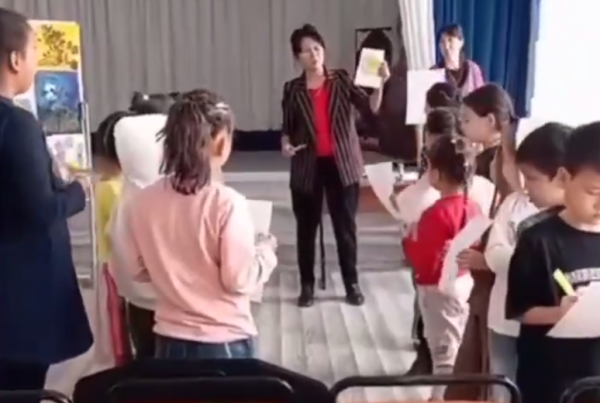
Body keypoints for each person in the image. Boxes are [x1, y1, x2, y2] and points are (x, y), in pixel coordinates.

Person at [123, 89, 277, 359]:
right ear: (220, 142)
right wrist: (266, 251)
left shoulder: (141, 201)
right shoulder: (227, 204)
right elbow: (239, 279)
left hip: (168, 341)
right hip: (225, 342)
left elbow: (137, 269)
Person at [0, 7, 92, 391]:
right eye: (35, 50)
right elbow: (41, 211)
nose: (36, 61)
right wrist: (77, 192)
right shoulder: (16, 125)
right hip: (19, 298)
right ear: (15, 59)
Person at [281, 24, 390, 307]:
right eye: (306, 51)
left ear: (324, 49)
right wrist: (285, 144)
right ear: (297, 57)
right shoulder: (292, 89)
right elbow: (287, 128)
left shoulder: (341, 79)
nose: (313, 54)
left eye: (317, 48)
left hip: (342, 164)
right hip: (307, 164)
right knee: (306, 228)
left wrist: (380, 83)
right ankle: (307, 286)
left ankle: (351, 283)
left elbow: (370, 107)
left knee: (345, 227)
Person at [506, 121, 600, 403]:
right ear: (563, 177)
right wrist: (560, 313)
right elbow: (521, 310)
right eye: (593, 192)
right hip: (552, 379)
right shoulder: (538, 240)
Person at [484, 122, 571, 402]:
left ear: (562, 177)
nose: (523, 185)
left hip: (554, 334)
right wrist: (530, 263)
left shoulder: (575, 222)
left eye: (531, 178)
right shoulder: (515, 205)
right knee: (503, 385)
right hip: (506, 320)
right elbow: (494, 253)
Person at [445, 83, 516, 401]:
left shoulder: (501, 162)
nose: (462, 126)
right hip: (485, 275)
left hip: (496, 282)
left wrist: (485, 258)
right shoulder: (489, 157)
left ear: (491, 121)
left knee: (492, 361)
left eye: (467, 119)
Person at [403, 135, 480, 400]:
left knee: (443, 351)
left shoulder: (436, 213)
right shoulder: (473, 206)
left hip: (438, 287)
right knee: (453, 341)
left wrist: (409, 237)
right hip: (463, 280)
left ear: (436, 173)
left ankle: (439, 398)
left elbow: (423, 259)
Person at [110, 92, 176, 359]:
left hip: (137, 296)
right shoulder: (176, 195)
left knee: (145, 355)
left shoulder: (128, 196)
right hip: (180, 303)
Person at [91, 110, 131, 365]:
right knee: (119, 318)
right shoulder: (112, 188)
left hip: (120, 263)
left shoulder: (116, 184)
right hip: (117, 265)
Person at [434, 24, 485, 96]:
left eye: (450, 40)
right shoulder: (434, 72)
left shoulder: (473, 69)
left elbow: (482, 97)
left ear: (461, 42)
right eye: (442, 42)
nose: (446, 46)